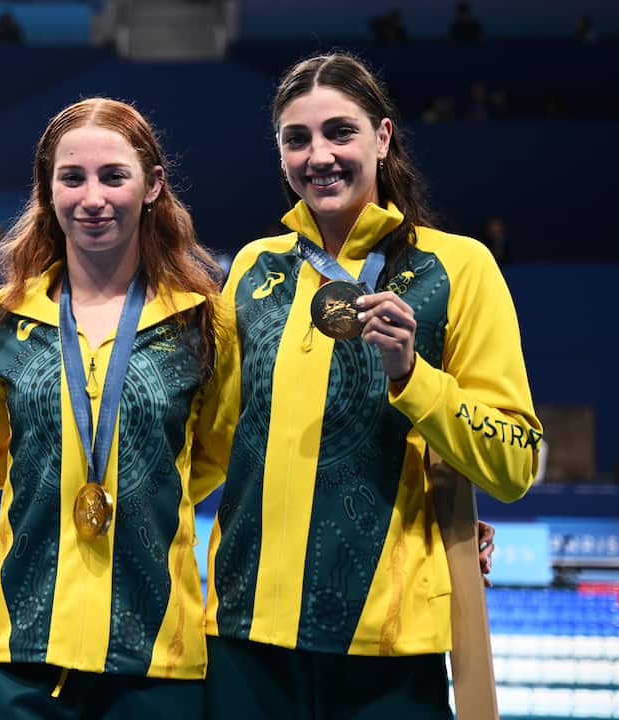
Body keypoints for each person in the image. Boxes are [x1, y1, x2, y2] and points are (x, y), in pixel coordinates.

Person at [200, 52, 541, 718]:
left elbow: (515, 462)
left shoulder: (457, 269)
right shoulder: (254, 270)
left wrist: (415, 378)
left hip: (387, 648)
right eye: (296, 139)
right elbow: (212, 440)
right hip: (247, 635)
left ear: (383, 139)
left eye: (339, 132)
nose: (318, 154)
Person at [0, 98, 226, 717]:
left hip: (156, 653)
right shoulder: (5, 318)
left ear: (153, 185)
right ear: (47, 190)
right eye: (72, 177)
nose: (93, 198)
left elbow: (219, 457)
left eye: (114, 176)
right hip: (18, 650)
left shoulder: (204, 321)